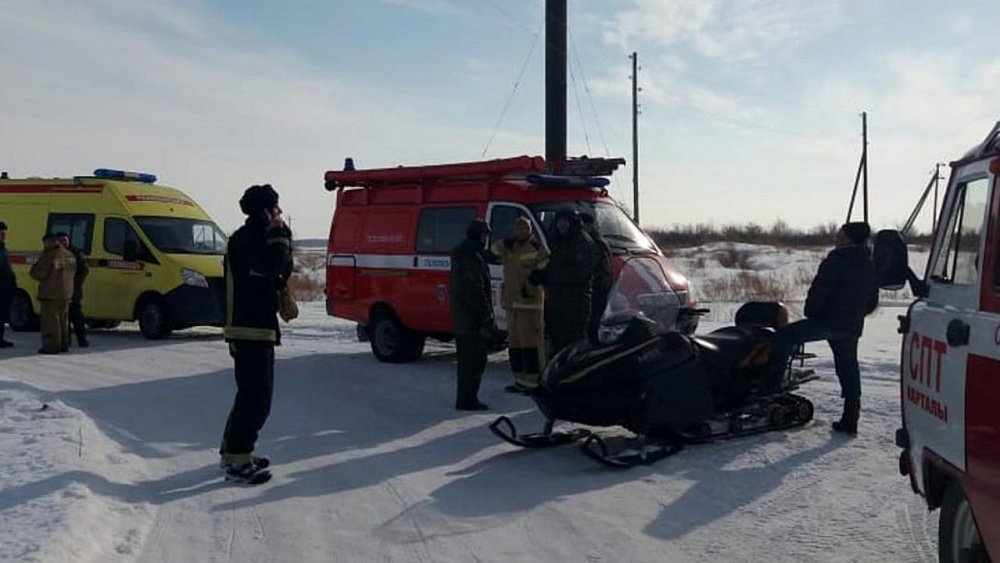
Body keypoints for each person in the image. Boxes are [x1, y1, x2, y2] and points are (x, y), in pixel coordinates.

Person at [768, 222, 878, 436]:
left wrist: (811, 311)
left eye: (841, 233)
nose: (836, 236)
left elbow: (821, 289)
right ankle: (850, 417)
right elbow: (872, 300)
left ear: (847, 238)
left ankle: (773, 384)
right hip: (851, 324)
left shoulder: (836, 260)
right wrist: (856, 314)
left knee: (784, 336)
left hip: (827, 321)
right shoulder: (869, 262)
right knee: (847, 366)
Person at [218, 184, 293, 481]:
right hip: (247, 327)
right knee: (255, 397)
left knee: (254, 395)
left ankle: (235, 452)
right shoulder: (245, 240)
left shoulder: (258, 237)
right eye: (275, 207)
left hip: (259, 326)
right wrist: (278, 238)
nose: (279, 212)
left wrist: (281, 238)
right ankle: (237, 461)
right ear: (264, 210)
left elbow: (283, 269)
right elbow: (271, 265)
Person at [490, 216, 549, 394]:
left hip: (530, 305)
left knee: (531, 344)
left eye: (525, 229)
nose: (522, 232)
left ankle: (534, 382)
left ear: (530, 230)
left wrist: (533, 281)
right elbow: (493, 250)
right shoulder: (510, 247)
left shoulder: (538, 249)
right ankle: (519, 380)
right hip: (512, 304)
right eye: (519, 229)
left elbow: (545, 271)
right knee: (515, 345)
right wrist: (505, 242)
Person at [532, 208, 596, 356]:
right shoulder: (554, 240)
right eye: (560, 221)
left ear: (572, 223)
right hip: (555, 302)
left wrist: (550, 277)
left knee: (574, 344)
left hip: (575, 304)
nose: (562, 225)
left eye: (566, 222)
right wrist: (541, 275)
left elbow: (580, 274)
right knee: (556, 342)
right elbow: (550, 264)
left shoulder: (583, 242)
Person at [450, 219, 496, 411]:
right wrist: (486, 314)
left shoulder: (469, 252)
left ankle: (466, 397)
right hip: (471, 319)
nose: (486, 238)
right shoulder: (472, 256)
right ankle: (467, 399)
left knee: (467, 361)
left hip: (463, 317)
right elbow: (475, 289)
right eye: (484, 234)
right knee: (474, 360)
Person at [30, 233, 76, 355]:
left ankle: (51, 347)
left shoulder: (49, 256)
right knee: (64, 322)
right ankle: (64, 345)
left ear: (48, 242)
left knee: (51, 323)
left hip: (50, 294)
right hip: (66, 293)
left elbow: (37, 273)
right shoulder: (69, 254)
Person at [580, 213, 613, 343]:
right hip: (596, 290)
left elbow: (600, 270)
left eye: (584, 225)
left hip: (597, 291)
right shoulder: (594, 242)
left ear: (590, 225)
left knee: (594, 323)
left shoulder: (596, 244)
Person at [57, 232, 89, 348]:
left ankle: (82, 340)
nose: (63, 243)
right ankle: (66, 341)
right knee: (64, 318)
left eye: (65, 240)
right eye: (61, 240)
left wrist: (75, 284)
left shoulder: (75, 253)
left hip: (74, 291)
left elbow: (84, 270)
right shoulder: (55, 254)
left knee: (77, 318)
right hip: (60, 292)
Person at [0, 222, 15, 348]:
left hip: (5, 288)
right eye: (1, 233)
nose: (4, 236)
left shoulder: (3, 248)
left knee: (2, 316)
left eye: (5, 233)